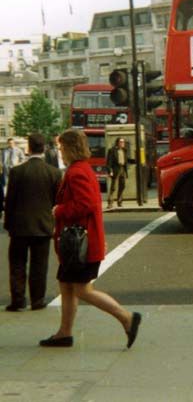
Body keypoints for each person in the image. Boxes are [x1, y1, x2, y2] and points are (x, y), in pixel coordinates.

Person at [40, 129, 141, 348]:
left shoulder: (77, 172)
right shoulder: (81, 169)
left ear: (69, 148)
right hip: (78, 244)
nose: (60, 152)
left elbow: (85, 205)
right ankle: (64, 333)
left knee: (82, 290)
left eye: (61, 148)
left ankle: (127, 318)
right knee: (66, 286)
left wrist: (59, 210)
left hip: (80, 245)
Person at [4, 133, 62, 312]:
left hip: (19, 226)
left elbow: (10, 201)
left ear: (28, 148)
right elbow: (56, 201)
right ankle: (37, 300)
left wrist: (8, 224)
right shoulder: (53, 172)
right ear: (43, 148)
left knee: (17, 264)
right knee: (39, 265)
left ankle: (18, 300)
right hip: (43, 225)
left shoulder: (16, 171)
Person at [106, 137, 129, 209]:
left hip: (122, 169)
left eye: (123, 142)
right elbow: (109, 162)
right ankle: (110, 203)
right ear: (117, 143)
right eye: (121, 142)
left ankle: (120, 201)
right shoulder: (112, 150)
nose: (123, 143)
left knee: (123, 185)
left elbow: (126, 161)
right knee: (113, 187)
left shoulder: (124, 150)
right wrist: (110, 171)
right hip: (116, 169)